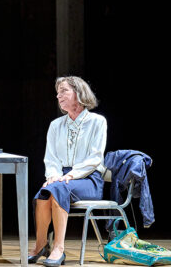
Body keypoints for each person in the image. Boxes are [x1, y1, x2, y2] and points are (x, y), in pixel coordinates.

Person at [28, 76, 107, 266]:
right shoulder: (56, 125)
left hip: (88, 178)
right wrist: (54, 176)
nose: (58, 96)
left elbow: (95, 158)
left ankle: (59, 248)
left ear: (78, 93)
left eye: (64, 91)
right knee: (43, 194)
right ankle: (40, 245)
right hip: (61, 177)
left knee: (58, 189)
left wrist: (70, 175)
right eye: (57, 92)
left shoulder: (97, 122)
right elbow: (51, 158)